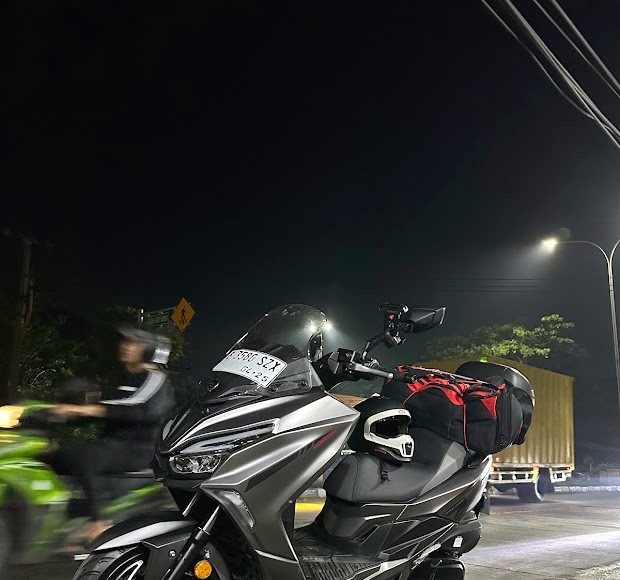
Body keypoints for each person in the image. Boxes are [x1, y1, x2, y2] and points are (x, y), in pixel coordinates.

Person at [48, 326, 175, 542]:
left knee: (84, 456)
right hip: (113, 445)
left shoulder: (155, 377)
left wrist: (86, 410)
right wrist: (59, 413)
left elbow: (136, 409)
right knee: (55, 454)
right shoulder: (127, 379)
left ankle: (99, 523)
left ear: (148, 349)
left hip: (138, 449)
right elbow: (106, 406)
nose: (125, 347)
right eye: (124, 342)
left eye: (132, 343)